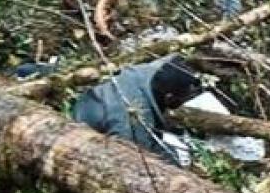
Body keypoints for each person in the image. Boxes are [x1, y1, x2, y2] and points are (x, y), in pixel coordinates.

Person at [71, 56, 203, 162]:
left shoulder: (145, 72)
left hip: (93, 105)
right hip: (85, 142)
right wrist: (175, 158)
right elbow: (133, 160)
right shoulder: (134, 118)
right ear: (169, 97)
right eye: (182, 99)